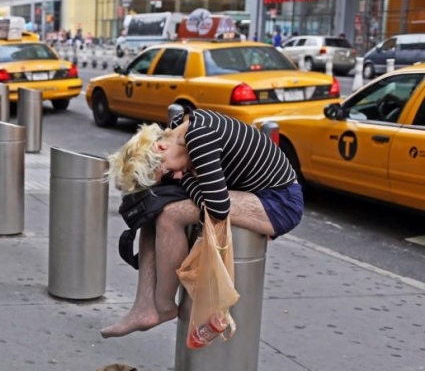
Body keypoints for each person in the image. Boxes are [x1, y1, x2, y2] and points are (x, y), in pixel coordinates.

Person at [101, 108, 303, 339]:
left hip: (278, 201)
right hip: (249, 191)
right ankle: (144, 307)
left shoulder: (199, 138)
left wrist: (186, 178)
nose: (175, 176)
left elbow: (218, 208)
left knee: (170, 214)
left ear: (161, 147)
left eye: (167, 171)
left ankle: (164, 305)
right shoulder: (179, 126)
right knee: (153, 207)